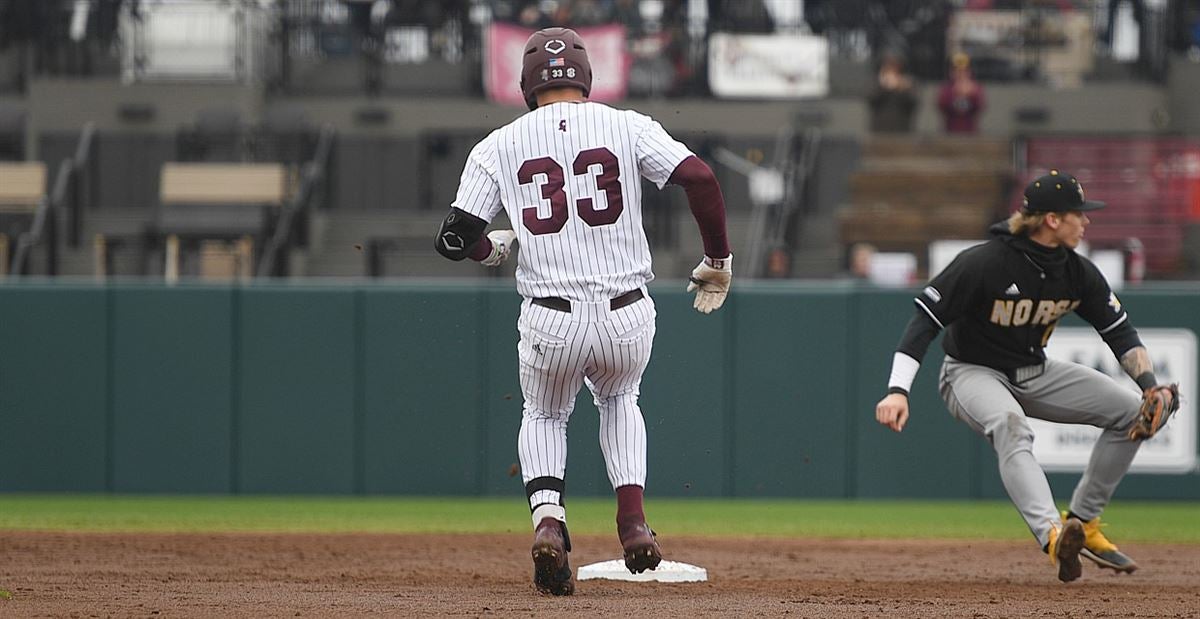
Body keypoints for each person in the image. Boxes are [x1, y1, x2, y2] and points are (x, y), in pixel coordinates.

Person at [434, 26, 732, 596]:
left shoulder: (498, 143)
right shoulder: (627, 125)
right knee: (620, 399)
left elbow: (453, 237)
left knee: (545, 415)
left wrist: (487, 248)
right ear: (585, 76)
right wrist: (717, 257)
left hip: (550, 315)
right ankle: (633, 523)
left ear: (527, 82)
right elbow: (700, 177)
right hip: (626, 312)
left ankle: (549, 520)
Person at [874, 169, 1181, 583]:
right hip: (971, 371)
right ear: (1052, 219)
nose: (1086, 220)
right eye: (1078, 213)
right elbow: (924, 321)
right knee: (1011, 425)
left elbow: (1120, 333)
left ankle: (1084, 524)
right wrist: (897, 390)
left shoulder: (1077, 272)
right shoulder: (984, 263)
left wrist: (1150, 386)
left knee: (1131, 413)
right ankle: (1054, 537)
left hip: (1034, 371)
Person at [868, 53, 917, 133]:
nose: (892, 67)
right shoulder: (876, 82)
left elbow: (912, 104)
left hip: (902, 129)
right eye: (889, 63)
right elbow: (871, 101)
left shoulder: (909, 82)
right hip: (879, 130)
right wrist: (883, 87)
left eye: (895, 64)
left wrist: (901, 88)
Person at [937, 53, 985, 134]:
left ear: (969, 72)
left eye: (964, 71)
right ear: (950, 72)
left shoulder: (976, 88)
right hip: (949, 132)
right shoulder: (946, 88)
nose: (960, 74)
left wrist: (972, 94)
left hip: (971, 132)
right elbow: (942, 106)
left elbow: (980, 107)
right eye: (956, 70)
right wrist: (955, 93)